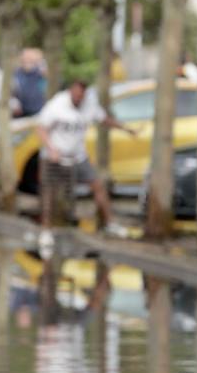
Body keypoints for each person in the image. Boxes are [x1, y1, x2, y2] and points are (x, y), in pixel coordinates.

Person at [35, 79, 134, 234]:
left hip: (78, 155)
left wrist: (126, 128)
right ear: (70, 92)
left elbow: (104, 119)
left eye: (80, 96)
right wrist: (51, 149)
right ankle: (46, 228)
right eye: (75, 96)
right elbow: (41, 128)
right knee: (49, 192)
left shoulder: (90, 104)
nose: (78, 99)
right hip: (55, 156)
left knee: (97, 185)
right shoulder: (57, 105)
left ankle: (109, 223)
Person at [12, 48, 48, 117]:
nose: (27, 60)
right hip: (21, 111)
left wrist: (39, 61)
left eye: (29, 58)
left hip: (39, 109)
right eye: (25, 58)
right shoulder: (16, 73)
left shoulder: (39, 72)